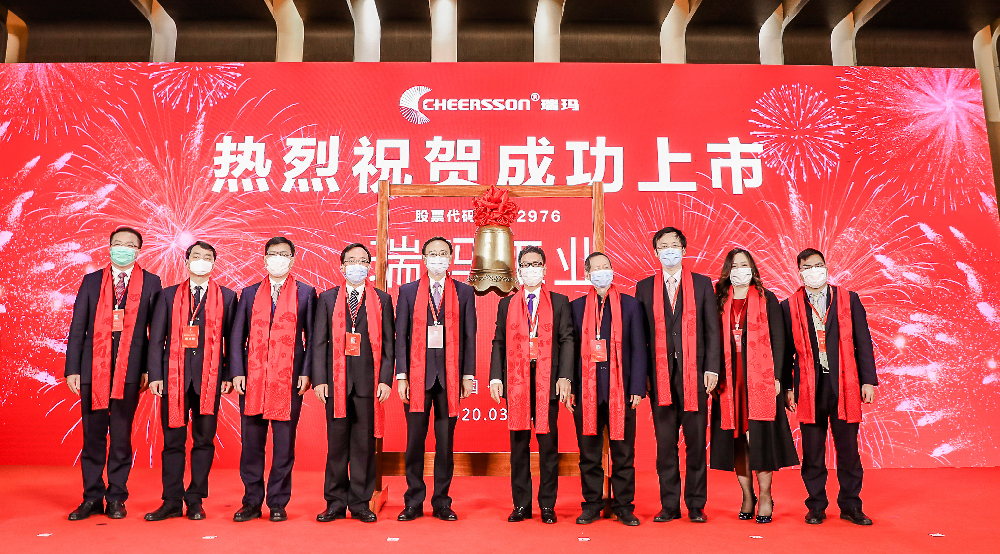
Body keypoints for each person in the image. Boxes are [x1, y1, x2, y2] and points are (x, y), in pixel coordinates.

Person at [65, 226, 162, 520]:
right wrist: (72, 369)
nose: (123, 248)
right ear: (109, 247)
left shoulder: (151, 282)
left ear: (138, 250)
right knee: (92, 436)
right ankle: (91, 498)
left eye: (129, 245)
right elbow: (77, 327)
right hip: (92, 369)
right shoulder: (92, 281)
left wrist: (149, 370)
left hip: (131, 370)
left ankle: (117, 497)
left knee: (121, 437)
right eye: (117, 243)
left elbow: (155, 332)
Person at [781, 248, 877, 526]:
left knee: (848, 450)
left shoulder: (848, 299)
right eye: (807, 267)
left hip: (845, 384)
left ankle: (851, 505)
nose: (814, 271)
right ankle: (816, 505)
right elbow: (786, 352)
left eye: (818, 265)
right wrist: (788, 387)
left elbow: (863, 341)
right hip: (809, 385)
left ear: (825, 267)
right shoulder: (789, 306)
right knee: (812, 451)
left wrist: (868, 380)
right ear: (799, 272)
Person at [145, 241, 237, 521]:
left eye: (207, 257)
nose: (201, 261)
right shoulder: (168, 295)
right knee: (172, 441)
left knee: (204, 441)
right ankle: (171, 500)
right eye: (196, 256)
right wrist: (155, 375)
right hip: (173, 378)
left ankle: (195, 499)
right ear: (186, 262)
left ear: (214, 263)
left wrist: (228, 375)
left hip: (210, 378)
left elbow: (232, 340)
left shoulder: (228, 297)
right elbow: (155, 338)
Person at [634, 227, 720, 523]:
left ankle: (696, 504)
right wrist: (643, 376)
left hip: (695, 376)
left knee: (696, 444)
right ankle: (669, 505)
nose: (669, 250)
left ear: (683, 249)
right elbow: (640, 337)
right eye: (663, 246)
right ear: (656, 252)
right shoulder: (645, 287)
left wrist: (712, 368)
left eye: (674, 245)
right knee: (665, 446)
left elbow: (712, 330)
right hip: (660, 378)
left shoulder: (702, 284)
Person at [230, 236, 316, 522]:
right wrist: (237, 372)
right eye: (273, 254)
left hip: (288, 380)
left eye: (284, 254)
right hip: (252, 380)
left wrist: (306, 372)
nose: (278, 258)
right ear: (264, 258)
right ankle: (251, 502)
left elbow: (313, 339)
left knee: (284, 446)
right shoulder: (249, 293)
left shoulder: (306, 293)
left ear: (292, 259)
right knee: (251, 445)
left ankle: (278, 502)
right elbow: (237, 336)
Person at [708, 248, 798, 524]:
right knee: (737, 442)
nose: (740, 270)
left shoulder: (766, 298)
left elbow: (779, 340)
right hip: (728, 378)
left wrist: (778, 377)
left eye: (744, 265)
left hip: (760, 378)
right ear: (728, 270)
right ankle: (747, 496)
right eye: (735, 265)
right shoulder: (718, 298)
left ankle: (766, 496)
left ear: (753, 269)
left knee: (759, 440)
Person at [488, 246, 574, 524]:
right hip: (517, 383)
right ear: (519, 270)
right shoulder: (507, 304)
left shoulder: (560, 302)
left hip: (549, 382)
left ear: (545, 269)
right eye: (526, 264)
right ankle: (521, 505)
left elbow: (567, 340)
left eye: (536, 264)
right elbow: (498, 342)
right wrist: (496, 377)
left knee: (548, 447)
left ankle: (547, 505)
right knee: (519, 447)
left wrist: (565, 377)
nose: (531, 269)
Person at [395, 237, 477, 522]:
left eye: (443, 253)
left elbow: (469, 336)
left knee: (445, 444)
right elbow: (401, 337)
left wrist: (468, 375)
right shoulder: (407, 292)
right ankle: (413, 501)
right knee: (414, 442)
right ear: (423, 258)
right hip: (417, 379)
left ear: (451, 258)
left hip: (450, 379)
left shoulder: (464, 292)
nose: (438, 258)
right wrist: (402, 376)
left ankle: (442, 501)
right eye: (433, 253)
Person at [312, 243, 395, 523]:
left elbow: (389, 345)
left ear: (369, 267)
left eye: (362, 260)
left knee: (363, 446)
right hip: (335, 384)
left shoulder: (382, 300)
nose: (357, 265)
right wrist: (319, 380)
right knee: (336, 446)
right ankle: (335, 502)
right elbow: (318, 342)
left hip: (368, 384)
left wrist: (386, 380)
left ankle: (360, 502)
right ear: (342, 266)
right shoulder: (327, 298)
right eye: (351, 260)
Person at [568, 252, 647, 526]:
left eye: (606, 267)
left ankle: (624, 506)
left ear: (612, 271)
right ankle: (592, 504)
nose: (602, 272)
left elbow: (639, 348)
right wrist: (571, 386)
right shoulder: (576, 308)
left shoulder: (630, 305)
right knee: (589, 454)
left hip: (621, 391)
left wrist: (637, 386)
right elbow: (569, 351)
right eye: (596, 268)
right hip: (586, 392)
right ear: (587, 275)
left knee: (623, 453)